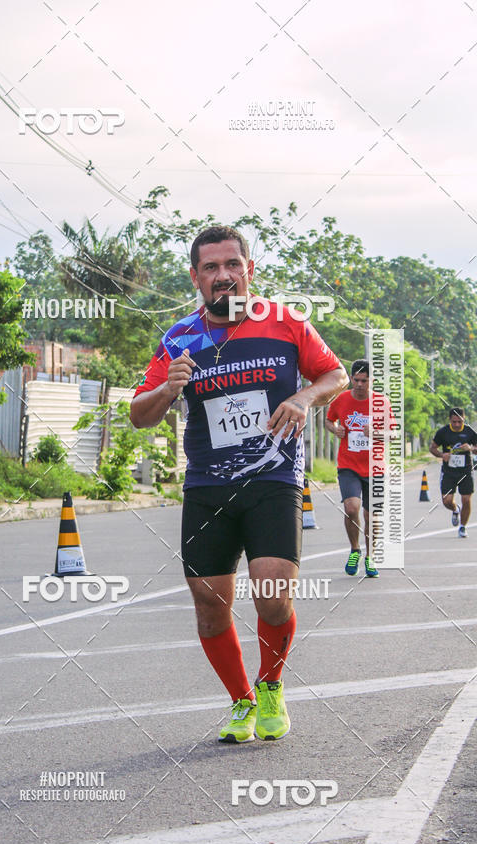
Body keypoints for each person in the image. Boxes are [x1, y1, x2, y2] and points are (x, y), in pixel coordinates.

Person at [130, 225, 347, 743]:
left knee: (272, 593)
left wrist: (303, 399)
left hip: (273, 475)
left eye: (232, 265)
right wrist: (167, 387)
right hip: (207, 483)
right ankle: (241, 701)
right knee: (209, 603)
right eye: (211, 267)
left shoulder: (285, 321)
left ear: (249, 270)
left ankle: (271, 684)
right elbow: (139, 414)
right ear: (195, 277)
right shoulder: (179, 338)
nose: (223, 276)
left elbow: (334, 375)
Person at [326, 359, 393, 578]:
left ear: (371, 381)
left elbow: (392, 434)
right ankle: (355, 549)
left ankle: (370, 556)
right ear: (351, 379)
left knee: (372, 516)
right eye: (356, 380)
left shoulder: (382, 403)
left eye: (364, 381)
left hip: (375, 467)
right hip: (348, 465)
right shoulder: (342, 399)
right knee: (352, 508)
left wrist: (375, 434)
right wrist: (335, 430)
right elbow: (329, 420)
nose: (360, 384)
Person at [429, 407, 477, 538]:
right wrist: (441, 455)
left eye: (459, 422)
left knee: (466, 499)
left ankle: (462, 527)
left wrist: (471, 448)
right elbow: (432, 448)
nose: (456, 424)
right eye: (454, 421)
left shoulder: (470, 432)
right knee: (447, 501)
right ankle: (456, 510)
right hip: (448, 471)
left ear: (464, 419)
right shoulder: (443, 432)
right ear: (450, 420)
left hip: (466, 470)